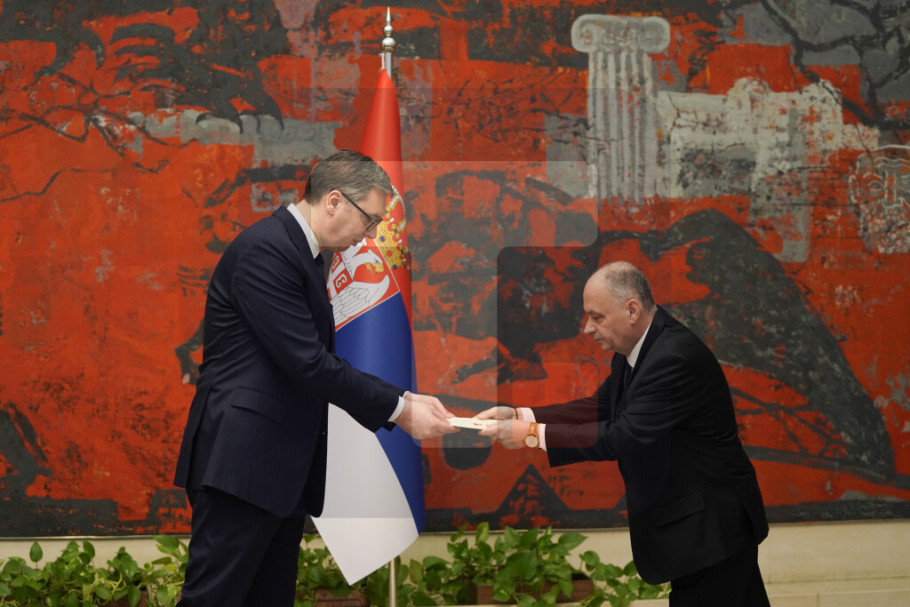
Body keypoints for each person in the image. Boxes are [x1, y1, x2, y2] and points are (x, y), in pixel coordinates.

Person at [173, 149, 457, 607]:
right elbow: (307, 363)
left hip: (279, 472)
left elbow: (311, 362)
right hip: (243, 465)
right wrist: (400, 409)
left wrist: (404, 397)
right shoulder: (267, 250)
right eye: (370, 220)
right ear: (334, 201)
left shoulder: (303, 254)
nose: (370, 236)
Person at [477, 261, 770, 606]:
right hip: (700, 530)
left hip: (712, 531)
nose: (587, 328)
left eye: (596, 317)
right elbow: (602, 406)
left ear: (632, 310)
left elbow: (624, 436)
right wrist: (520, 415)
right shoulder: (637, 350)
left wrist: (530, 434)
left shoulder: (672, 357)